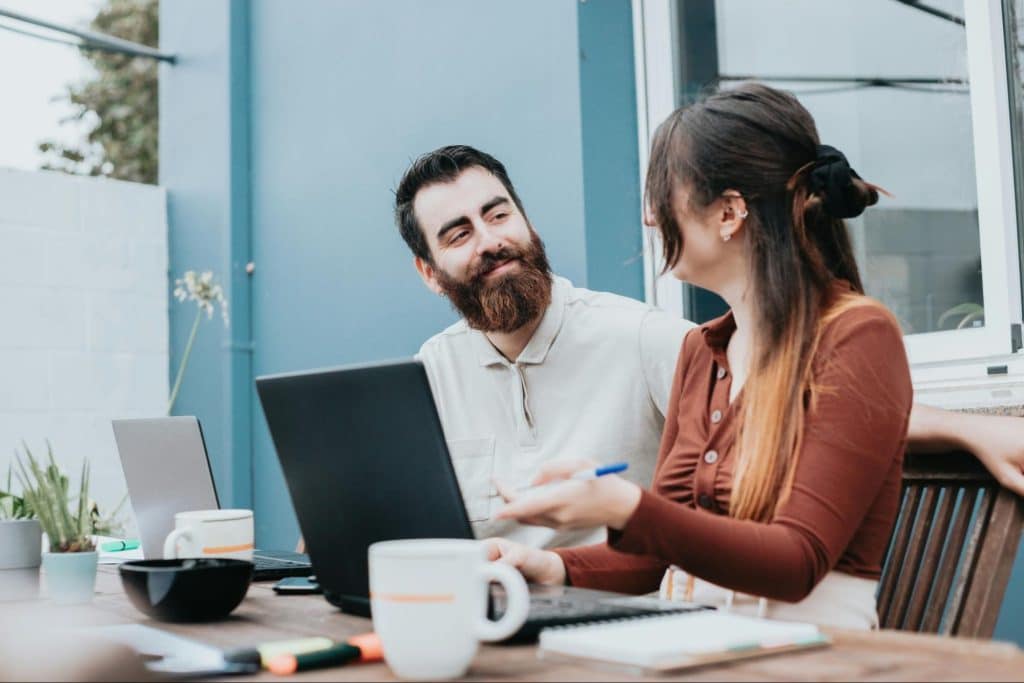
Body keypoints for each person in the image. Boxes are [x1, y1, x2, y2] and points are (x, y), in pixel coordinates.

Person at [480, 83, 1006, 629]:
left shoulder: (857, 335)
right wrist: (548, 565)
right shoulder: (702, 350)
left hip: (812, 656)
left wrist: (624, 506)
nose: (650, 218)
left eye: (663, 195)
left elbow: (796, 560)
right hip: (697, 642)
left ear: (729, 212)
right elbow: (658, 556)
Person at [392, 144, 1024, 557]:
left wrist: (966, 429)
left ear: (526, 219)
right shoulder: (429, 373)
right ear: (429, 270)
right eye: (458, 233)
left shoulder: (640, 337)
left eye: (499, 215)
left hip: (621, 636)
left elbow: (801, 404)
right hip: (490, 622)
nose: (490, 241)